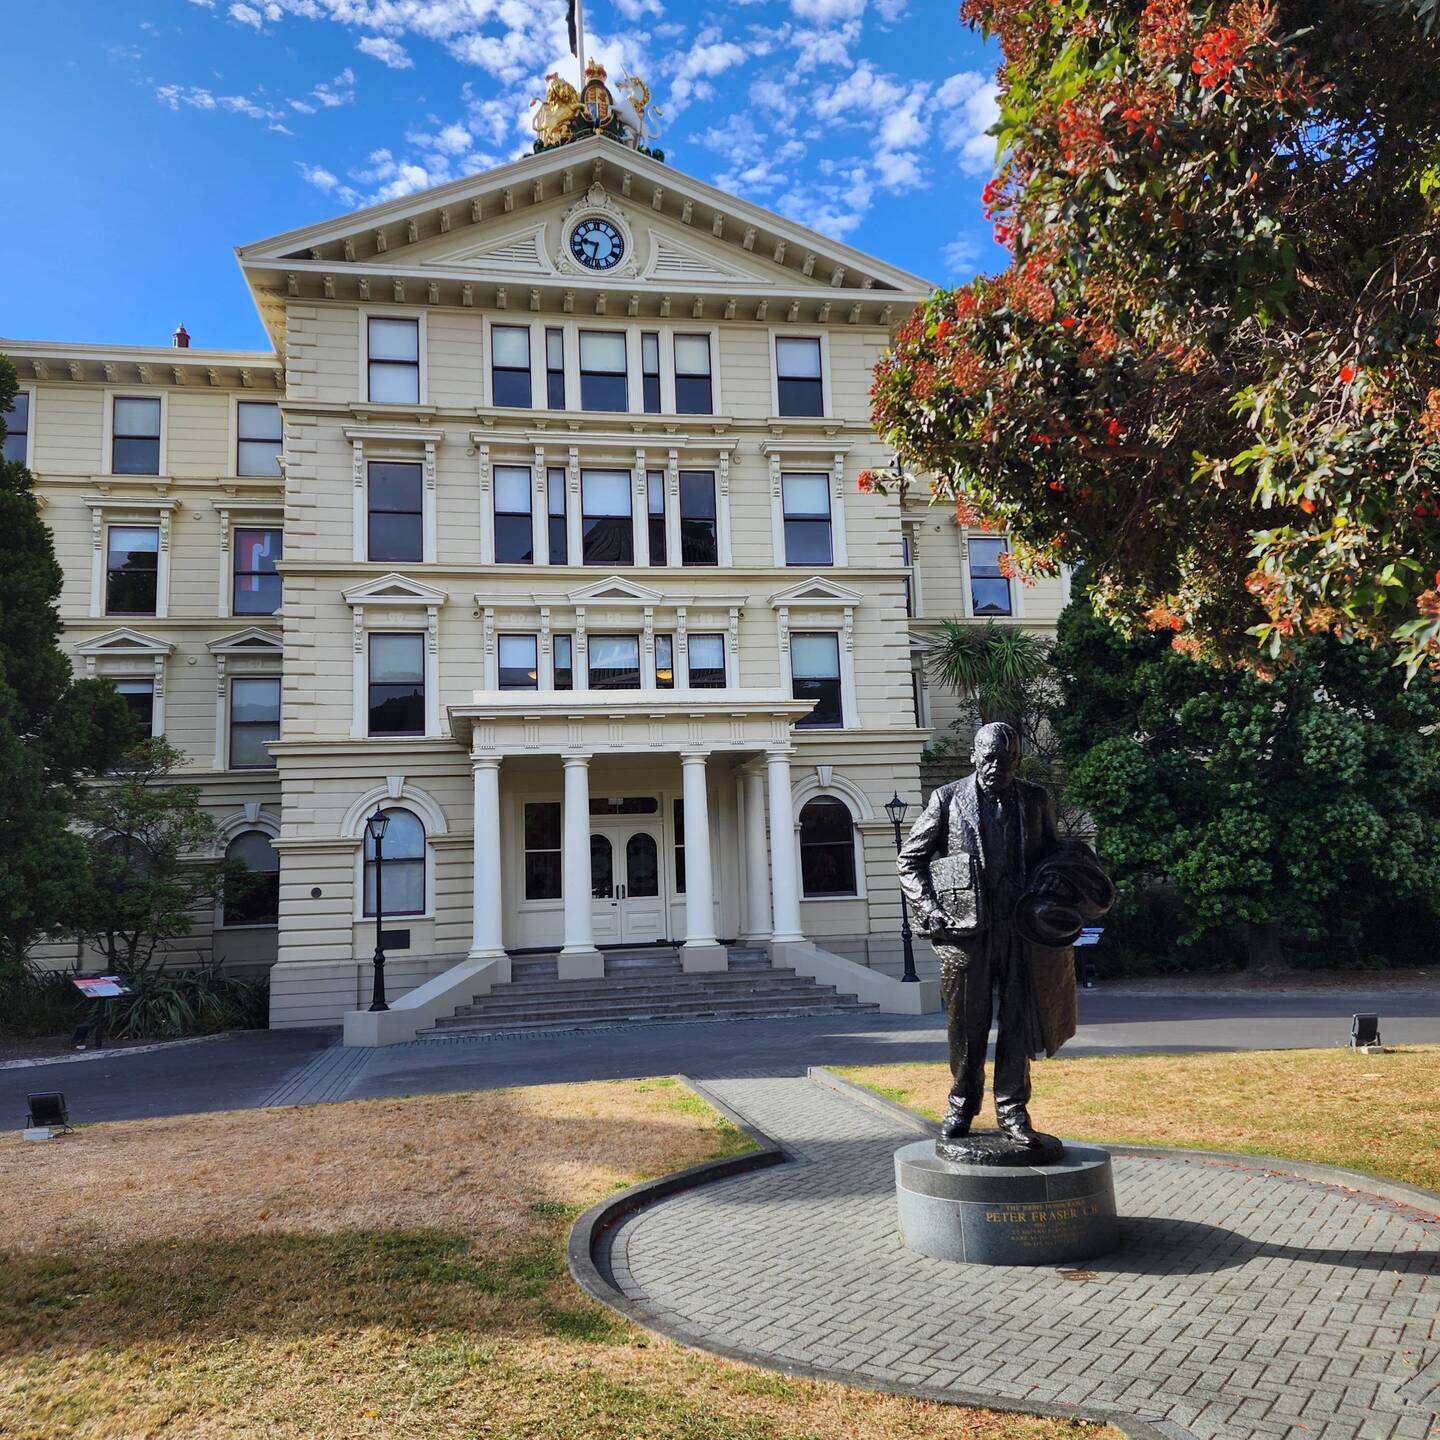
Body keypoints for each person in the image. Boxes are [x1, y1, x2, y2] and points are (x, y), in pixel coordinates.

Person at [896, 722, 1061, 1146]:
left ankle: (1012, 1111)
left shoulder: (1035, 800)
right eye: (989, 758)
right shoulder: (947, 798)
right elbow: (910, 859)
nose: (996, 767)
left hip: (1020, 930)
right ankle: (961, 1105)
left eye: (1007, 760)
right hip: (965, 934)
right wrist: (930, 909)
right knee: (966, 1028)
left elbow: (1053, 857)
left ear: (1017, 761)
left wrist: (1057, 888)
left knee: (1018, 1024)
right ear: (974, 757)